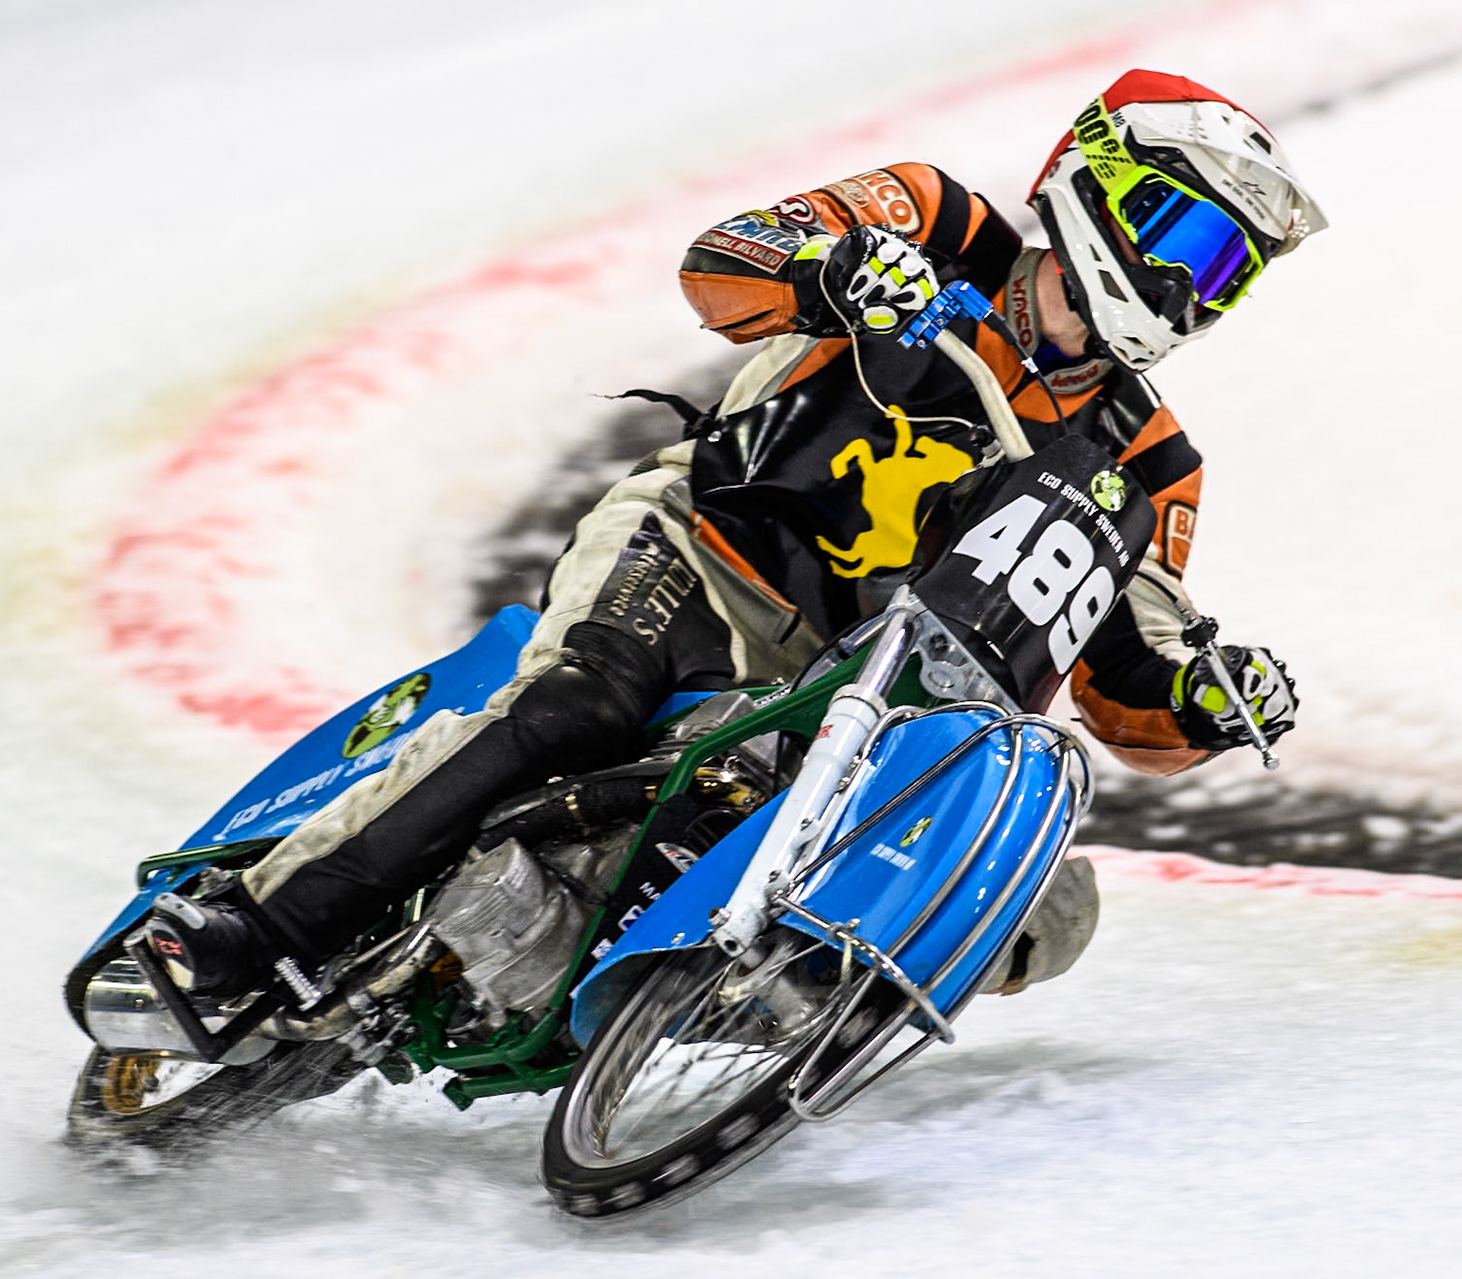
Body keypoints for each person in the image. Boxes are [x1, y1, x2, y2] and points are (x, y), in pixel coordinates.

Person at [148, 69, 1322, 996]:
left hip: (855, 697)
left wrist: (1208, 699)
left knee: (1046, 904)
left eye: (1225, 270)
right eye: (1183, 238)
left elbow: (1129, 696)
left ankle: (764, 1020)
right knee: (580, 704)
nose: (1187, 286)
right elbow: (721, 265)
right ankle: (251, 922)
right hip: (704, 550)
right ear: (1094, 184)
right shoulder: (933, 219)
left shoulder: (1152, 462)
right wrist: (835, 270)